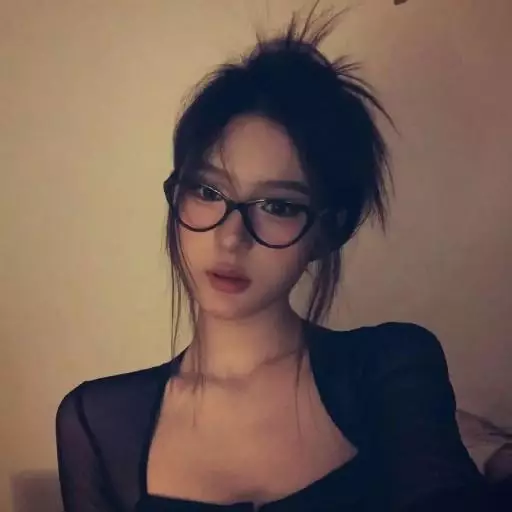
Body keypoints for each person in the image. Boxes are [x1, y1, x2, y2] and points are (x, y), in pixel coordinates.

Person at [55, 7, 494, 512]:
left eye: (278, 206)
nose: (230, 237)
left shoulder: (390, 368)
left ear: (328, 230)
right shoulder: (97, 423)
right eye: (208, 191)